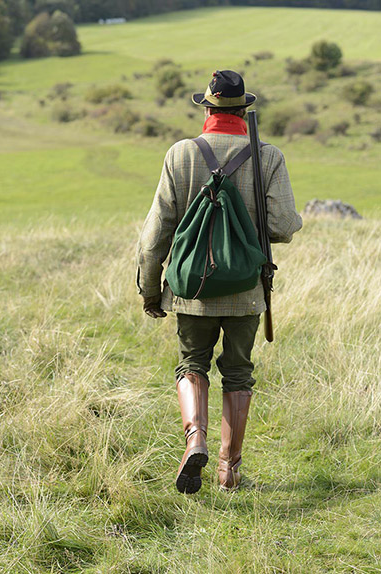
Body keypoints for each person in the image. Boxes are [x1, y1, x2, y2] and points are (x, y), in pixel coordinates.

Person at [136, 70, 302, 494]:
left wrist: (152, 291)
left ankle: (195, 441)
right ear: (244, 110)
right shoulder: (268, 156)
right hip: (247, 290)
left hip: (191, 291)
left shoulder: (180, 154)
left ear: (207, 108)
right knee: (239, 374)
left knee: (192, 364)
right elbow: (283, 226)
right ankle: (229, 470)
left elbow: (155, 235)